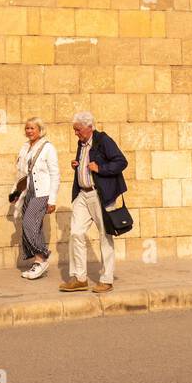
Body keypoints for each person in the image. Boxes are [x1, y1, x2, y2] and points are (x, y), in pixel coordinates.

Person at [59, 111, 128, 294]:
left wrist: (101, 168)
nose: (76, 133)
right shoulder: (81, 143)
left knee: (105, 236)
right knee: (76, 233)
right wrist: (77, 165)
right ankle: (80, 278)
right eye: (75, 130)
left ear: (89, 127)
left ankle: (106, 280)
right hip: (83, 194)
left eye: (78, 129)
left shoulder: (103, 140)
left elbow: (121, 162)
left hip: (100, 195)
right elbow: (86, 165)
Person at [9, 118, 60, 279]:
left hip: (42, 192)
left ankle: (43, 256)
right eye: (27, 128)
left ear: (40, 130)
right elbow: (22, 174)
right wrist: (15, 193)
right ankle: (38, 262)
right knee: (34, 227)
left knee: (28, 224)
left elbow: (55, 174)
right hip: (28, 192)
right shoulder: (25, 147)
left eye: (32, 128)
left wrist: (52, 200)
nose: (29, 131)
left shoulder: (48, 148)